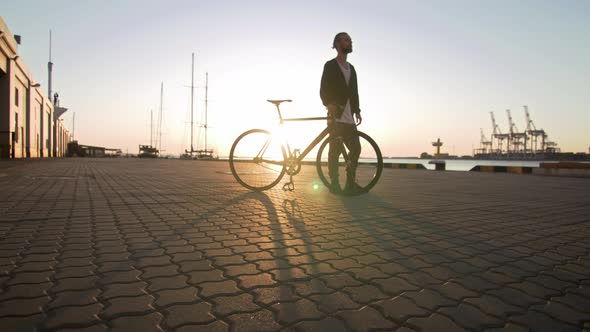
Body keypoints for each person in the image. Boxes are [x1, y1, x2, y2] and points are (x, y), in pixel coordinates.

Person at [320, 32, 363, 194]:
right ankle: (335, 184)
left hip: (349, 116)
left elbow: (354, 92)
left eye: (350, 40)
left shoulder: (351, 68)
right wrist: (328, 103)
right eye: (346, 40)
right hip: (335, 113)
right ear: (337, 44)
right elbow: (324, 87)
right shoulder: (330, 65)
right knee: (335, 151)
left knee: (356, 148)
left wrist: (357, 110)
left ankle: (350, 183)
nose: (350, 42)